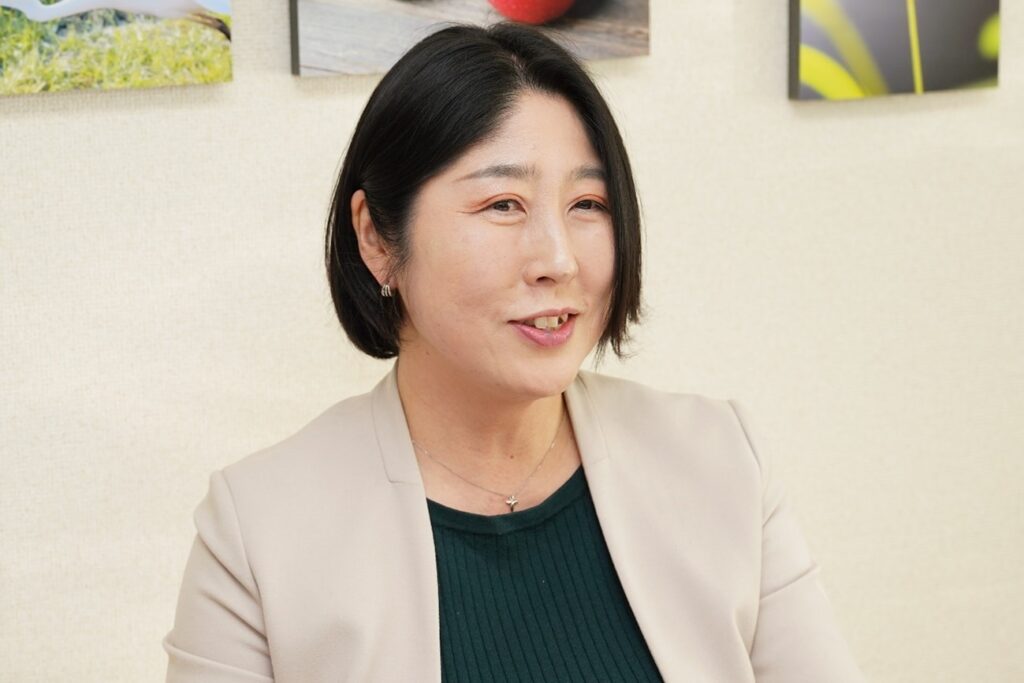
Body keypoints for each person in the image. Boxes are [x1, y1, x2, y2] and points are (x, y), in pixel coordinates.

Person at [163, 22, 865, 683]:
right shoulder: (257, 531)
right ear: (375, 236)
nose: (557, 259)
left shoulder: (721, 460)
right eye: (503, 204)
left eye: (587, 204)